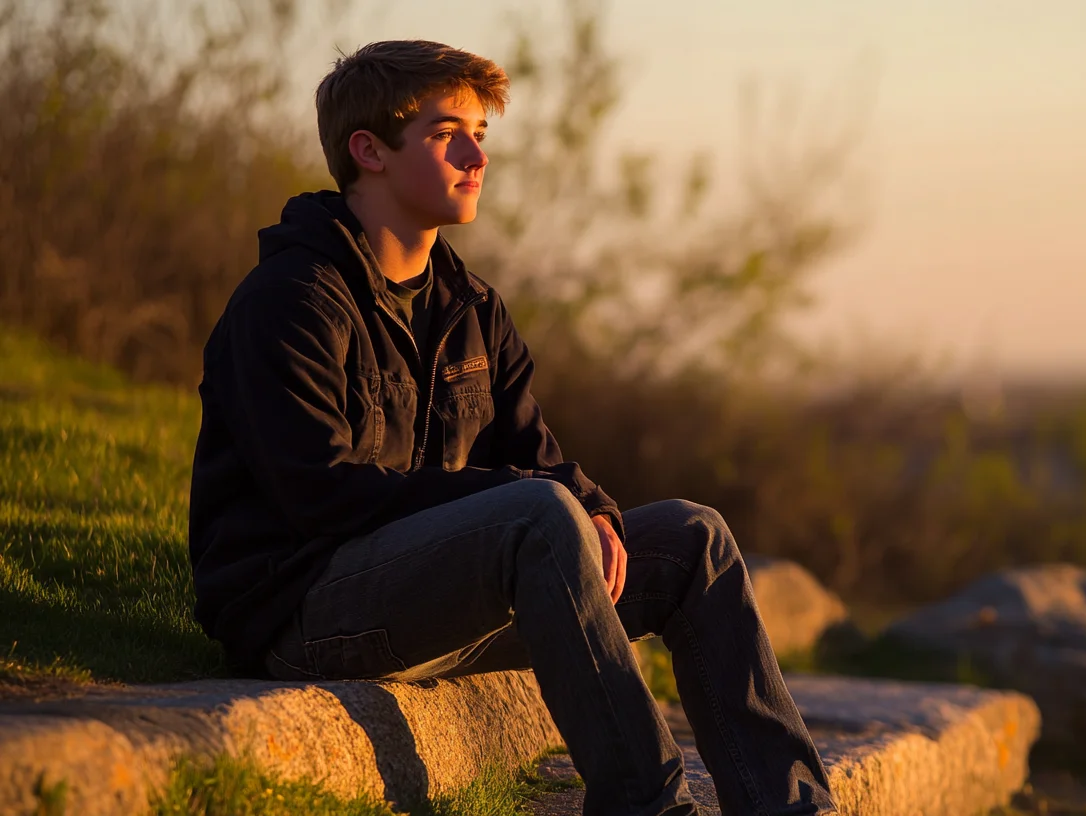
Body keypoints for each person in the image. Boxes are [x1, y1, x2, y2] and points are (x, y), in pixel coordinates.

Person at [186, 39, 837, 816]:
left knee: (693, 540)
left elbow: (538, 455)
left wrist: (594, 508)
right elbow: (318, 495)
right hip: (308, 614)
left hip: (438, 599)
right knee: (535, 514)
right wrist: (527, 501)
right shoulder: (292, 298)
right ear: (369, 151)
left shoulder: (470, 306)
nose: (476, 156)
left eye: (480, 134)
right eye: (445, 134)